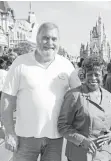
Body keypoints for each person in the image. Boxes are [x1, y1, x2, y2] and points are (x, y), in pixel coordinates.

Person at [1, 22, 75, 161]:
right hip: (25, 138)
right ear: (37, 39)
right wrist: (9, 132)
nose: (49, 43)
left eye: (54, 39)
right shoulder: (21, 63)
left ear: (59, 42)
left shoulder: (66, 65)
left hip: (55, 138)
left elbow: (81, 95)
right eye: (45, 38)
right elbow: (7, 100)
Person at [58, 56, 111, 161]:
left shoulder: (109, 96)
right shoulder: (74, 95)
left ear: (103, 75)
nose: (93, 78)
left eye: (97, 74)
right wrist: (83, 141)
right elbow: (63, 126)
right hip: (81, 154)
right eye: (89, 74)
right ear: (84, 76)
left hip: (105, 154)